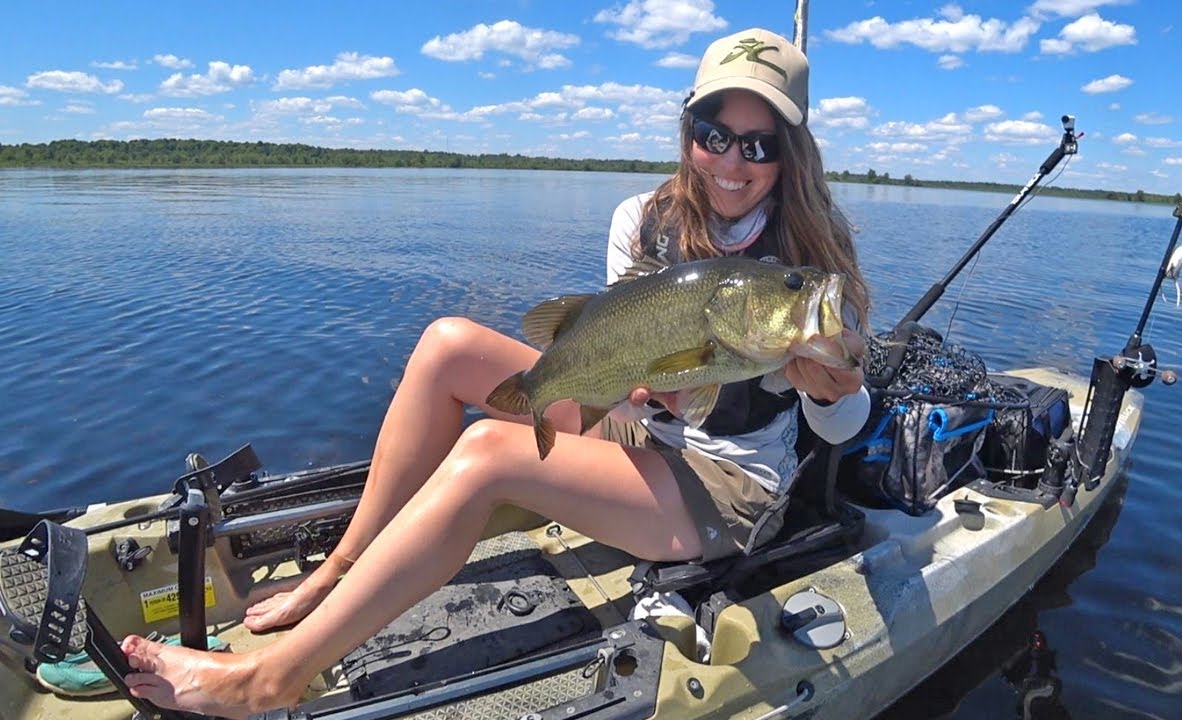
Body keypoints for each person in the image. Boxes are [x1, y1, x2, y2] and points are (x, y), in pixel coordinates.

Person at [120, 27, 872, 718]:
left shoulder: (814, 261)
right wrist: (636, 390)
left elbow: (843, 421)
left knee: (485, 454)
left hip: (725, 487)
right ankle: (337, 570)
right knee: (448, 343)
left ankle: (268, 679)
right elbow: (627, 370)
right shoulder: (641, 218)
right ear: (688, 133)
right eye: (715, 136)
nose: (731, 163)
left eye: (759, 145)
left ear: (790, 153)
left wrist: (828, 390)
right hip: (644, 436)